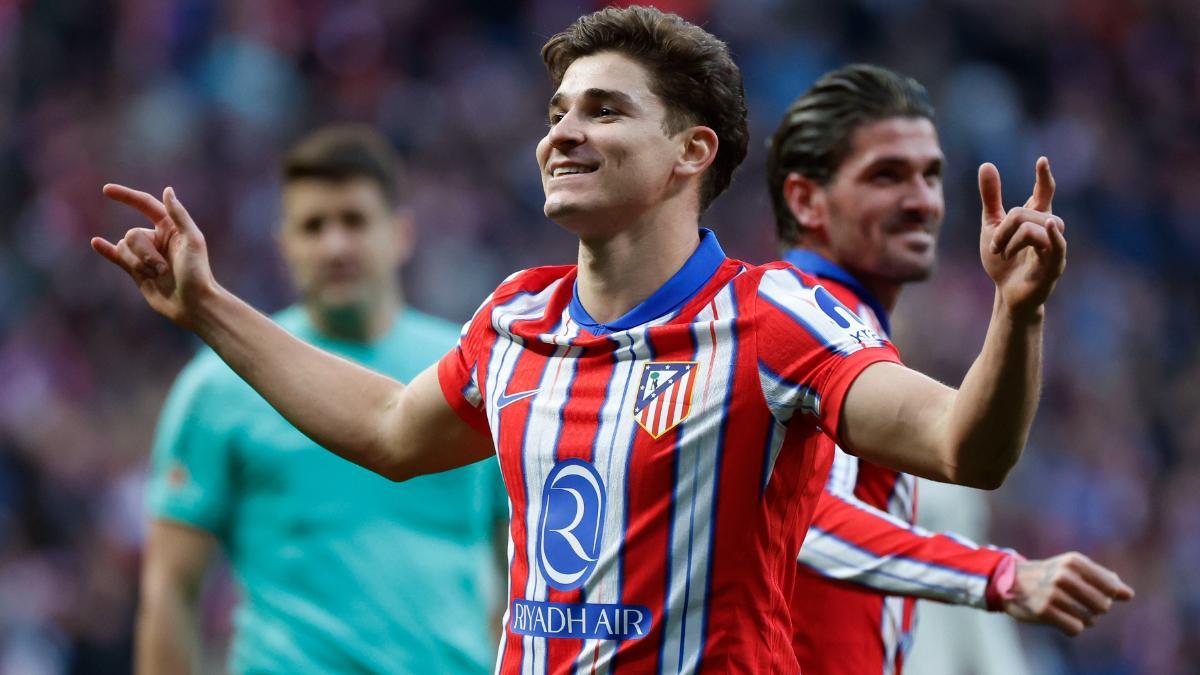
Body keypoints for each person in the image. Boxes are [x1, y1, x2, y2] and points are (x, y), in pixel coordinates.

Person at [95, 6, 1074, 672]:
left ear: (693, 153)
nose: (562, 132)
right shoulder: (519, 316)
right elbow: (392, 431)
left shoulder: (776, 318)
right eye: (557, 111)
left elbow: (963, 449)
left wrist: (1017, 314)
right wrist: (211, 306)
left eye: (604, 111)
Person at [766, 64, 1133, 674]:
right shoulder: (802, 327)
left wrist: (1020, 311)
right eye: (888, 176)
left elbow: (977, 457)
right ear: (805, 199)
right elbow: (804, 524)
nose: (923, 201)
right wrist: (998, 574)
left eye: (931, 175)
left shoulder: (843, 327)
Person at [134, 125, 507, 675]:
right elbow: (171, 588)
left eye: (354, 221)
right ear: (284, 244)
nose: (336, 245)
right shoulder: (218, 386)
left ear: (401, 233)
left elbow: (520, 569)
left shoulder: (474, 374)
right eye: (313, 226)